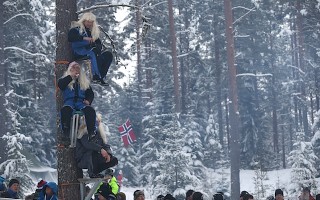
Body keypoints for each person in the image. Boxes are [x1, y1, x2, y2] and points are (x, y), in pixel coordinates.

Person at [68, 12, 113, 86]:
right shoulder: (76, 29)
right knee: (93, 52)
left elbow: (98, 44)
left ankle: (101, 76)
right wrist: (84, 38)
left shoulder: (92, 32)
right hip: (79, 51)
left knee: (108, 55)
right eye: (88, 21)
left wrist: (96, 46)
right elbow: (70, 38)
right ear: (83, 20)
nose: (89, 23)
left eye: (91, 22)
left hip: (90, 51)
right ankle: (95, 76)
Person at [58, 61, 97, 146]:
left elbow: (90, 93)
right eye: (74, 68)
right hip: (69, 101)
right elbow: (61, 85)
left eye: (77, 68)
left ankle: (92, 133)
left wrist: (88, 100)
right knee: (65, 110)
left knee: (90, 111)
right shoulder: (65, 79)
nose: (76, 70)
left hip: (80, 102)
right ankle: (66, 133)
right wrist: (71, 76)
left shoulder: (84, 82)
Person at [76, 113, 118, 178]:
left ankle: (98, 171)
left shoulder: (98, 133)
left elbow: (105, 145)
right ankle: (92, 173)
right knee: (92, 153)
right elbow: (87, 144)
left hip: (95, 158)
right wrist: (100, 149)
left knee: (114, 160)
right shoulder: (83, 133)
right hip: (84, 159)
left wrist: (108, 154)